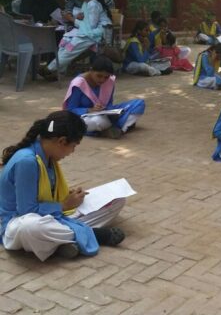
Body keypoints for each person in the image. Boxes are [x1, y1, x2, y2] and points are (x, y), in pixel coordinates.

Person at [0, 111, 126, 261]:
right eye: (73, 146)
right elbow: (26, 211)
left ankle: (63, 241)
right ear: (61, 141)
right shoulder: (27, 161)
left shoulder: (47, 156)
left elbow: (47, 194)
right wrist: (64, 205)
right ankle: (92, 234)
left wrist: (69, 197)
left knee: (117, 199)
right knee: (31, 227)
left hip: (53, 216)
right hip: (16, 223)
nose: (72, 151)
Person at [39, 0, 111, 79]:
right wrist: (76, 18)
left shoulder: (93, 4)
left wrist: (72, 19)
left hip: (97, 32)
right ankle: (59, 72)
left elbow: (90, 27)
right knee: (66, 43)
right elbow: (85, 22)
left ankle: (50, 68)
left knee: (71, 48)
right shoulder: (86, 4)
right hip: (86, 31)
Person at [62, 56, 146, 138]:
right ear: (91, 70)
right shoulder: (78, 84)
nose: (102, 80)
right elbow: (70, 110)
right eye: (99, 76)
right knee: (98, 121)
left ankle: (114, 129)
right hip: (85, 117)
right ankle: (118, 126)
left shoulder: (110, 81)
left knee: (139, 104)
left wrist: (107, 110)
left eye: (106, 77)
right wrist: (88, 110)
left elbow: (109, 103)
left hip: (103, 113)